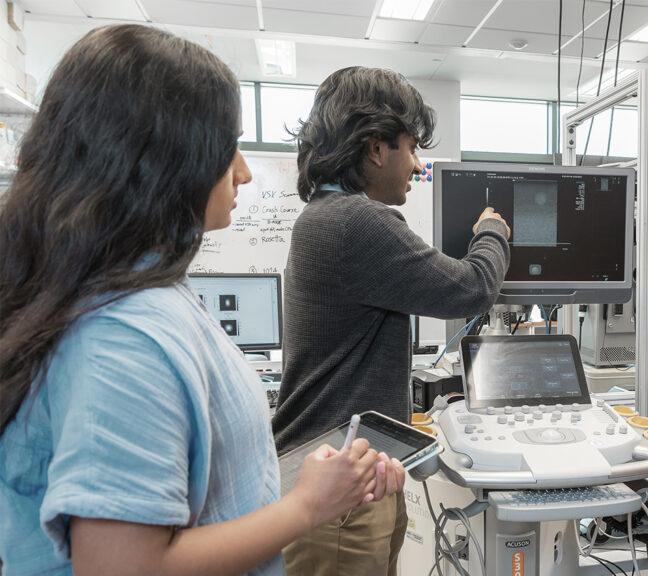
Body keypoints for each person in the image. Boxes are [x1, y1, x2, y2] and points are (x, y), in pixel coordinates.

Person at [0, 25, 404, 576]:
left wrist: (320, 481)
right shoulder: (124, 334)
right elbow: (124, 567)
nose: (241, 171)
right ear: (158, 156)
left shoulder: (145, 289)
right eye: (228, 146)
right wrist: (307, 505)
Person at [271, 66, 510, 575]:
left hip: (349, 475)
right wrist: (493, 233)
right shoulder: (356, 221)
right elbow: (470, 289)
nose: (417, 165)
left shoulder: (323, 215)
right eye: (411, 148)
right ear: (376, 147)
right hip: (342, 492)